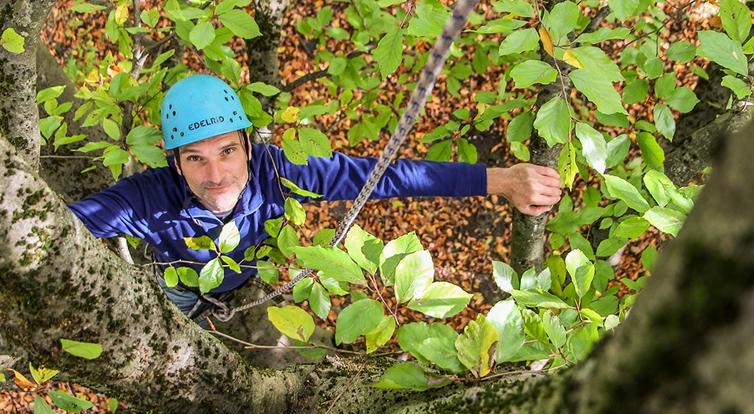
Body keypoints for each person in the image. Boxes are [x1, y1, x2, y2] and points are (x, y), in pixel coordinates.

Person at [69, 74, 562, 325]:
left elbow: (388, 176)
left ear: (248, 144)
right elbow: (58, 227)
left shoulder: (279, 173)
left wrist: (500, 180)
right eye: (195, 159)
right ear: (174, 162)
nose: (216, 176)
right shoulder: (149, 198)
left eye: (226, 152)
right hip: (180, 290)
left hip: (253, 278)